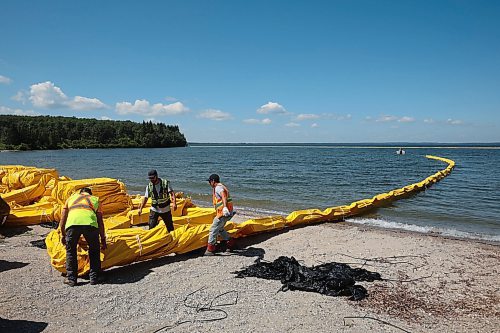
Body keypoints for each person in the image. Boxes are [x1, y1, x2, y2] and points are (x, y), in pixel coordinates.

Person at [60, 187, 106, 286]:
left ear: (80, 193)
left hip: (72, 224)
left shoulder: (71, 198)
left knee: (71, 251)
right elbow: (100, 221)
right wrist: (103, 239)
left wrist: (63, 234)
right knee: (94, 250)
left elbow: (63, 218)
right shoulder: (95, 199)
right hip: (90, 224)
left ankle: (71, 279)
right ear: (90, 194)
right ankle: (94, 277)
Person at [205, 174, 235, 256]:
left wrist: (225, 207)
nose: (209, 183)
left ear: (213, 181)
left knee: (213, 229)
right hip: (227, 213)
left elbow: (223, 196)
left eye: (210, 182)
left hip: (223, 213)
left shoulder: (218, 188)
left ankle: (210, 249)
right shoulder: (221, 186)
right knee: (220, 229)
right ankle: (230, 243)